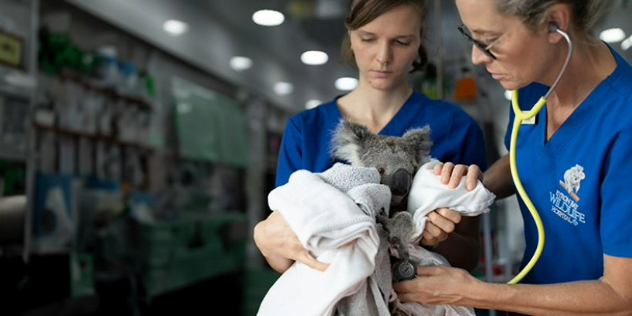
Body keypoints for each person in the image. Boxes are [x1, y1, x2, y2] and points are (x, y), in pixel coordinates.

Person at [393, 0, 632, 314]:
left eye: (489, 41)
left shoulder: (623, 124)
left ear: (554, 23)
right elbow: (531, 155)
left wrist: (472, 293)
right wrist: (467, 193)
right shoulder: (532, 84)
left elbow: (621, 297)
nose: (477, 57)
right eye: (470, 38)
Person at [254, 0, 488, 277]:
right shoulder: (305, 130)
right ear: (351, 36)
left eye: (401, 41)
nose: (383, 56)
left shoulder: (456, 128)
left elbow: (471, 254)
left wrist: (435, 235)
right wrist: (267, 243)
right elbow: (285, 256)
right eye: (368, 39)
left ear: (419, 41)